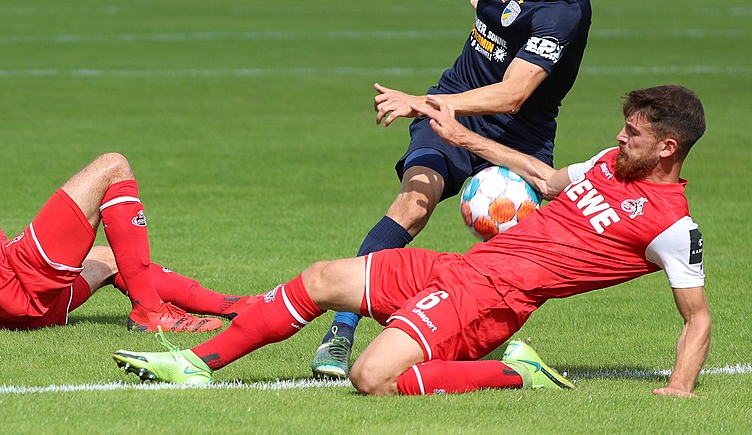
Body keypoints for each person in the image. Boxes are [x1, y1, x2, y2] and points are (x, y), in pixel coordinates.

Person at [113, 84, 709, 398]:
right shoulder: (608, 164)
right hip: (463, 267)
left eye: (631, 134)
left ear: (666, 148)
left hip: (493, 298)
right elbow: (546, 179)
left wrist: (680, 389)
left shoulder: (672, 226)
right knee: (323, 275)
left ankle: (516, 374)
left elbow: (697, 317)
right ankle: (197, 364)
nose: (618, 137)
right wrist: (459, 135)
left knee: (372, 378)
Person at [311, 0, 593, 378]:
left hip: (517, 135)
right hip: (454, 104)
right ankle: (341, 330)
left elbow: (514, 94)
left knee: (511, 258)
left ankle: (464, 343)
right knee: (413, 202)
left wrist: (421, 102)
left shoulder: (561, 8)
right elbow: (503, 22)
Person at [0, 152, 250, 331]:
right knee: (114, 166)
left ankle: (231, 305)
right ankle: (150, 312)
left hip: (25, 308)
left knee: (109, 258)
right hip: (17, 284)